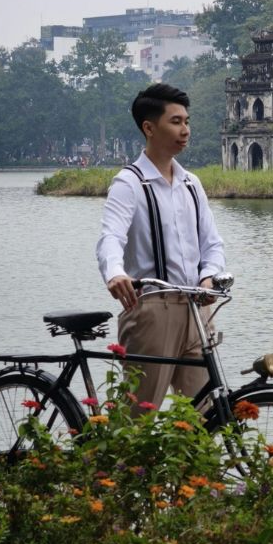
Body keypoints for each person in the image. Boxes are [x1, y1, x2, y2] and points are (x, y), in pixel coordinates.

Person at [95, 83, 225, 410]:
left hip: (196, 308)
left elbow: (212, 244)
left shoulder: (191, 183)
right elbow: (111, 236)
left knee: (203, 416)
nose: (185, 130)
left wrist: (209, 276)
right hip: (153, 309)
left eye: (187, 121)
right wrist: (115, 273)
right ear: (149, 128)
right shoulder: (129, 183)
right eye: (176, 122)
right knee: (139, 415)